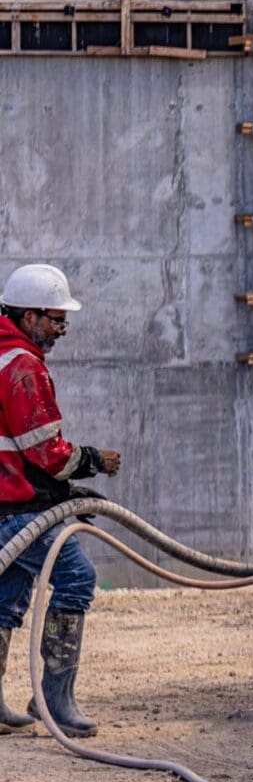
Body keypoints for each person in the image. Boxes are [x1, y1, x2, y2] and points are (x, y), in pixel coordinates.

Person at [0, 264, 121, 737]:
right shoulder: (24, 368)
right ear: (28, 316)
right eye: (54, 319)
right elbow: (46, 452)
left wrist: (66, 494)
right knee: (77, 579)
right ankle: (54, 699)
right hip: (22, 512)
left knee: (6, 599)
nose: (60, 329)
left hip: (8, 507)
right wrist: (93, 461)